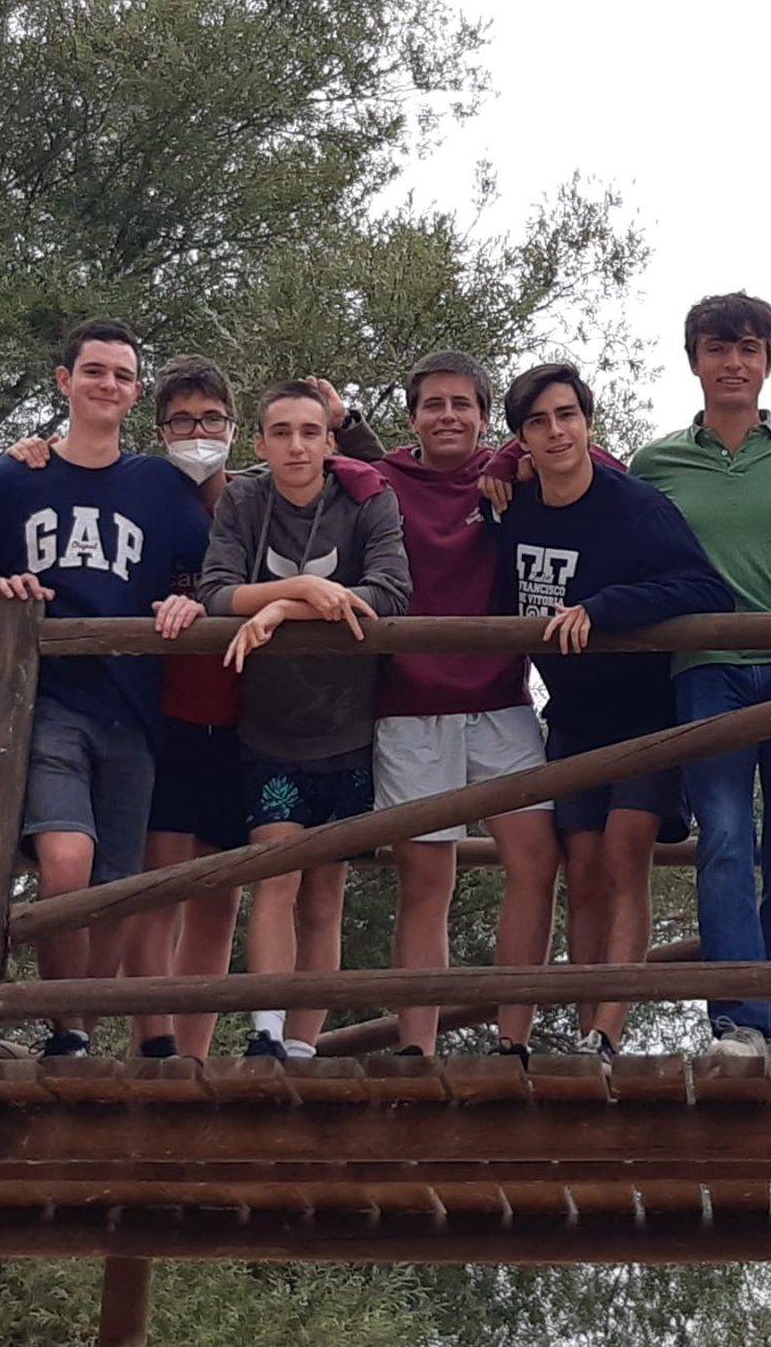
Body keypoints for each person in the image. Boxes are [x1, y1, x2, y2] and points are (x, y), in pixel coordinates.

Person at [0, 319, 210, 1058]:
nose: (108, 385)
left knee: (117, 888)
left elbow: (210, 562)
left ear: (135, 392)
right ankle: (64, 1024)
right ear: (65, 381)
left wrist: (190, 600)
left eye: (123, 376)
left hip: (134, 704)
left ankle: (80, 1033)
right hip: (45, 698)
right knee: (65, 865)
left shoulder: (158, 484)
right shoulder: (15, 476)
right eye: (94, 371)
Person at [1, 354, 247, 1060]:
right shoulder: (142, 490)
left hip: (243, 717)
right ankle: (148, 1042)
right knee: (148, 887)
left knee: (220, 892)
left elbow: (350, 486)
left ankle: (191, 1055)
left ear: (234, 427)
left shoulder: (254, 500)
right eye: (182, 422)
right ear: (159, 428)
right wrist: (34, 455)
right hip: (158, 712)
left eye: (211, 420)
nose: (197, 434)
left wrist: (348, 429)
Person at [488, 362, 733, 1066]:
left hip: (646, 712)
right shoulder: (514, 508)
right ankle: (578, 1028)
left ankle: (607, 1032)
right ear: (522, 438)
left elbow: (706, 590)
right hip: (572, 714)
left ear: (588, 423)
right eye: (538, 422)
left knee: (625, 855)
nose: (556, 431)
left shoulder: (635, 506)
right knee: (584, 866)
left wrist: (605, 608)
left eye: (567, 415)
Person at [324, 353, 567, 1062]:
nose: (449, 416)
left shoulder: (512, 475)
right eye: (434, 404)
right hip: (408, 706)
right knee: (426, 880)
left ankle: (513, 1042)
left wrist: (517, 450)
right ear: (413, 417)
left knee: (536, 861)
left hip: (501, 700)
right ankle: (417, 1050)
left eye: (463, 404)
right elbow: (292, 469)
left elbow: (596, 464)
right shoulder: (380, 481)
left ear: (486, 417)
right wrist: (340, 421)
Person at [630, 293, 771, 1060]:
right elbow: (592, 494)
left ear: (769, 360)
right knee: (724, 843)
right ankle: (738, 1022)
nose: (733, 363)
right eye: (718, 348)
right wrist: (506, 465)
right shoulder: (657, 464)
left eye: (748, 348)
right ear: (694, 361)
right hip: (707, 671)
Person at [195, 380, 411, 1060]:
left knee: (324, 894)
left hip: (349, 727)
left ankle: (303, 1046)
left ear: (329, 441)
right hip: (270, 728)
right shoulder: (243, 499)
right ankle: (264, 1032)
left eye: (310, 432)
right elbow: (215, 591)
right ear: (260, 443)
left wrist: (283, 609)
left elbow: (391, 594)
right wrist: (300, 586)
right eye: (282, 433)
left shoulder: (367, 498)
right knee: (275, 874)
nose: (296, 446)